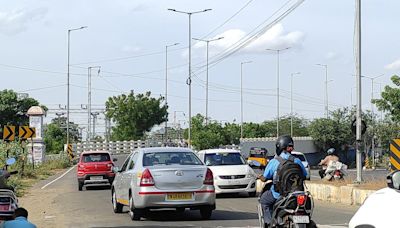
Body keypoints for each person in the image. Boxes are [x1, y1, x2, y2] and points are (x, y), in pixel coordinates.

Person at [258, 135, 308, 227]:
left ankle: (269, 223)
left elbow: (265, 178)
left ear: (279, 146)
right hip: (297, 194)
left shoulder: (274, 161)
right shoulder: (297, 160)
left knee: (264, 201)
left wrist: (260, 177)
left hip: (279, 195)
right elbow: (305, 175)